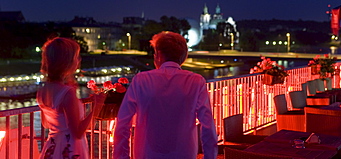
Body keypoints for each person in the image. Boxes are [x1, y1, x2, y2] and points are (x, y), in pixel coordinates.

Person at [113, 31, 218, 159]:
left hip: (146, 153)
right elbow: (207, 125)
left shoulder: (141, 80)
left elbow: (123, 122)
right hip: (184, 153)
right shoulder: (196, 81)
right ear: (183, 56)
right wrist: (210, 156)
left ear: (158, 55)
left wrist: (122, 156)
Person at [37, 37, 104, 159]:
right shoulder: (68, 93)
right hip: (69, 148)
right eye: (76, 57)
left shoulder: (43, 90)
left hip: (53, 145)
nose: (79, 60)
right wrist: (97, 105)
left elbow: (46, 124)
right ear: (67, 62)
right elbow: (77, 133)